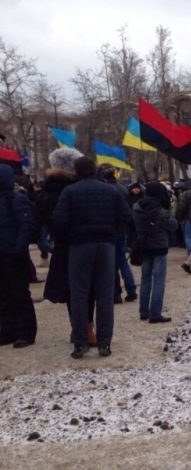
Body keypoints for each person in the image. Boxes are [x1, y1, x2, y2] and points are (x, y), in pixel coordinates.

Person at [51, 156, 131, 358]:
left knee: (79, 294)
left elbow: (58, 221)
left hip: (79, 245)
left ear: (76, 172)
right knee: (105, 295)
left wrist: (70, 235)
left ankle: (80, 343)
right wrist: (112, 232)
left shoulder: (69, 192)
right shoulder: (111, 190)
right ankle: (104, 343)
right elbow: (126, 217)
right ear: (95, 170)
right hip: (106, 244)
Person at [41, 148, 97, 347]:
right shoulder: (74, 189)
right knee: (87, 289)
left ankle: (77, 327)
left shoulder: (48, 190)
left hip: (62, 246)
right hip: (79, 243)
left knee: (72, 291)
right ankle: (87, 328)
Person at [0, 163, 37, 348]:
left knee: (20, 294)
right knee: (4, 295)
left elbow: (26, 226)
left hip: (14, 255)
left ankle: (26, 332)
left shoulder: (16, 199)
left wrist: (18, 250)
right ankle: (8, 331)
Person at [134, 182, 178, 323]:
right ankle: (155, 313)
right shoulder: (161, 211)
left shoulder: (137, 207)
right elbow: (173, 226)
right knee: (159, 280)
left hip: (143, 245)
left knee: (145, 278)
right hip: (159, 247)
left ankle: (143, 311)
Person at [98, 164, 137, 305]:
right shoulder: (123, 188)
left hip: (109, 230)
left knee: (111, 263)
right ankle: (131, 289)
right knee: (122, 260)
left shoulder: (105, 190)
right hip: (121, 229)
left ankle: (116, 294)